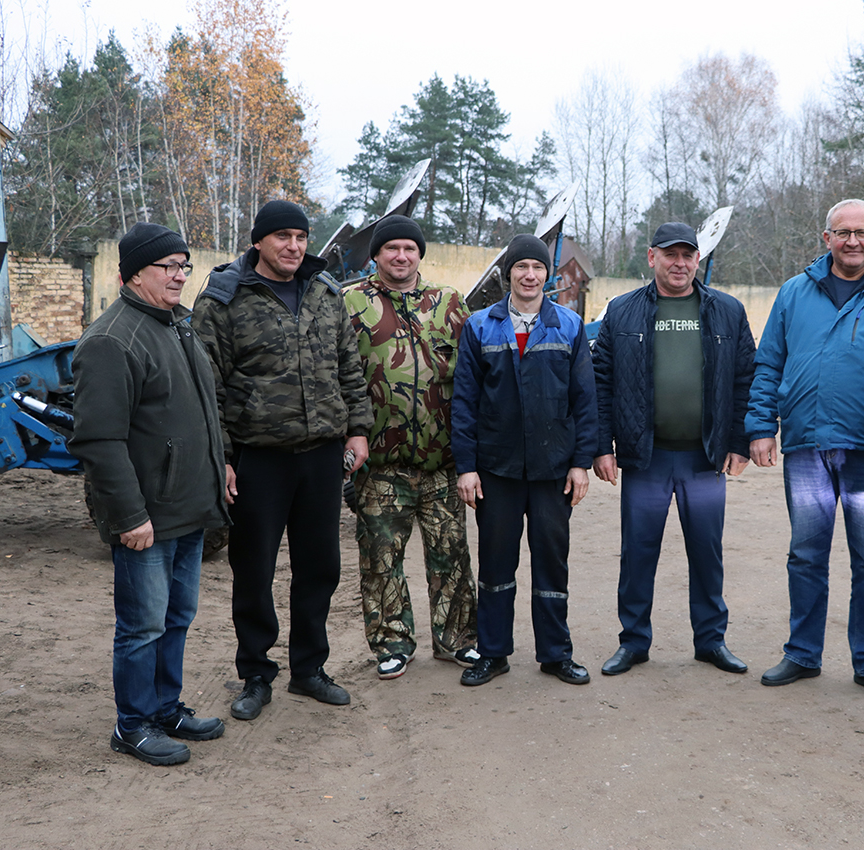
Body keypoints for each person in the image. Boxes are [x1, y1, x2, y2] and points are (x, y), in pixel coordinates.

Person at [193, 200, 372, 721]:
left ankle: (309, 670)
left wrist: (357, 429)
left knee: (320, 567)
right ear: (259, 243)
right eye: (282, 237)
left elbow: (348, 366)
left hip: (321, 454)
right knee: (253, 571)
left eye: (300, 236)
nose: (293, 246)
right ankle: (255, 673)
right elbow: (210, 389)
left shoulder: (324, 291)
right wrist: (223, 458)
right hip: (259, 458)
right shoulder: (224, 299)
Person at [746, 199, 864, 699]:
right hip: (806, 448)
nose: (852, 240)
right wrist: (761, 425)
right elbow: (769, 363)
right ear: (825, 238)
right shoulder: (793, 293)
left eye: (861, 232)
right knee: (805, 554)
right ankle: (802, 654)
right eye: (842, 232)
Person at [70, 223, 229, 765]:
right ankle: (133, 723)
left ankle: (165, 707)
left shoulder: (176, 325)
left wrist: (220, 465)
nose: (181, 276)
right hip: (148, 517)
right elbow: (98, 439)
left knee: (177, 616)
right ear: (134, 273)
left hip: (187, 508)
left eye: (185, 266)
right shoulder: (112, 340)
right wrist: (129, 515)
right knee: (142, 624)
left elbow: (201, 411)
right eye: (170, 267)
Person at [592, 222, 756, 677]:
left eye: (688, 255)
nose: (679, 263)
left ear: (698, 261)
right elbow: (601, 381)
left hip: (705, 458)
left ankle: (710, 641)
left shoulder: (726, 311)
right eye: (670, 255)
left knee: (707, 552)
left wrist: (739, 441)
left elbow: (746, 378)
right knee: (638, 552)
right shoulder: (622, 312)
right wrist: (602, 446)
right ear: (652, 257)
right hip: (646, 456)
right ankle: (633, 642)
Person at [451, 234, 596, 687]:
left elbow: (585, 401)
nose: (529, 275)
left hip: (554, 469)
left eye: (537, 267)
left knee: (553, 563)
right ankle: (493, 653)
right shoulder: (479, 326)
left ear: (547, 273)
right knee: (496, 564)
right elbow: (463, 403)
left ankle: (555, 653)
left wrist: (581, 462)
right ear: (507, 273)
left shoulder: (569, 326)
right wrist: (467, 467)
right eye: (521, 267)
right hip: (498, 469)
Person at [343, 215, 479, 681]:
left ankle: (457, 640)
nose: (401, 256)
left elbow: (473, 379)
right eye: (391, 249)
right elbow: (339, 376)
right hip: (381, 466)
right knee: (381, 559)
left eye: (410, 249)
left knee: (452, 556)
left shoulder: (450, 304)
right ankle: (392, 643)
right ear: (376, 255)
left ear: (420, 254)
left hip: (442, 463)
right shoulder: (351, 303)